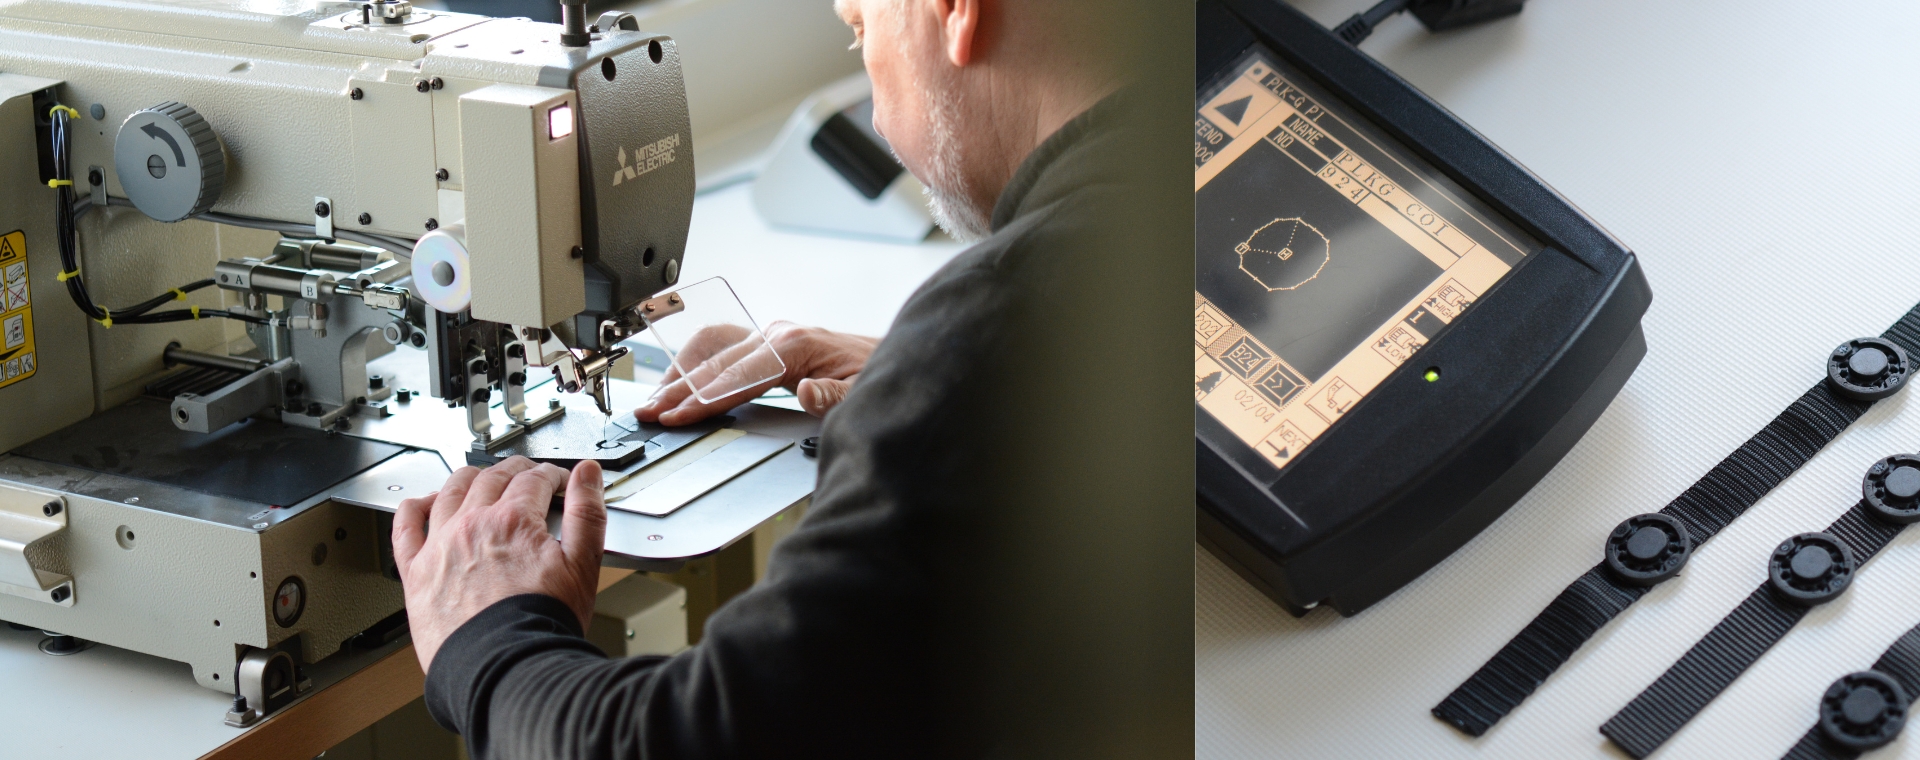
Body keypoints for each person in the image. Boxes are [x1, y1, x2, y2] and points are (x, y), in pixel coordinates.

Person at [391, 0, 1190, 757]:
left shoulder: (1003, 326)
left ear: (955, 9)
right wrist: (948, 381)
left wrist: (491, 635)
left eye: (859, 26)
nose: (874, 106)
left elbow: (680, 748)